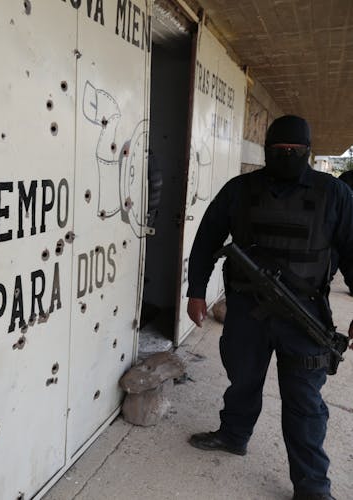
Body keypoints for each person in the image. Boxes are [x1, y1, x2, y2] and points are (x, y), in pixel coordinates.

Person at [185, 115, 353, 500]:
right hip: (247, 310)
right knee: (242, 380)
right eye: (278, 151)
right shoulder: (240, 190)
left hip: (305, 314)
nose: (286, 156)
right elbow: (207, 237)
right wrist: (196, 290)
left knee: (304, 403)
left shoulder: (334, 194)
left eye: (294, 151)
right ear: (267, 150)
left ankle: (312, 488)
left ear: (308, 152)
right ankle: (233, 436)